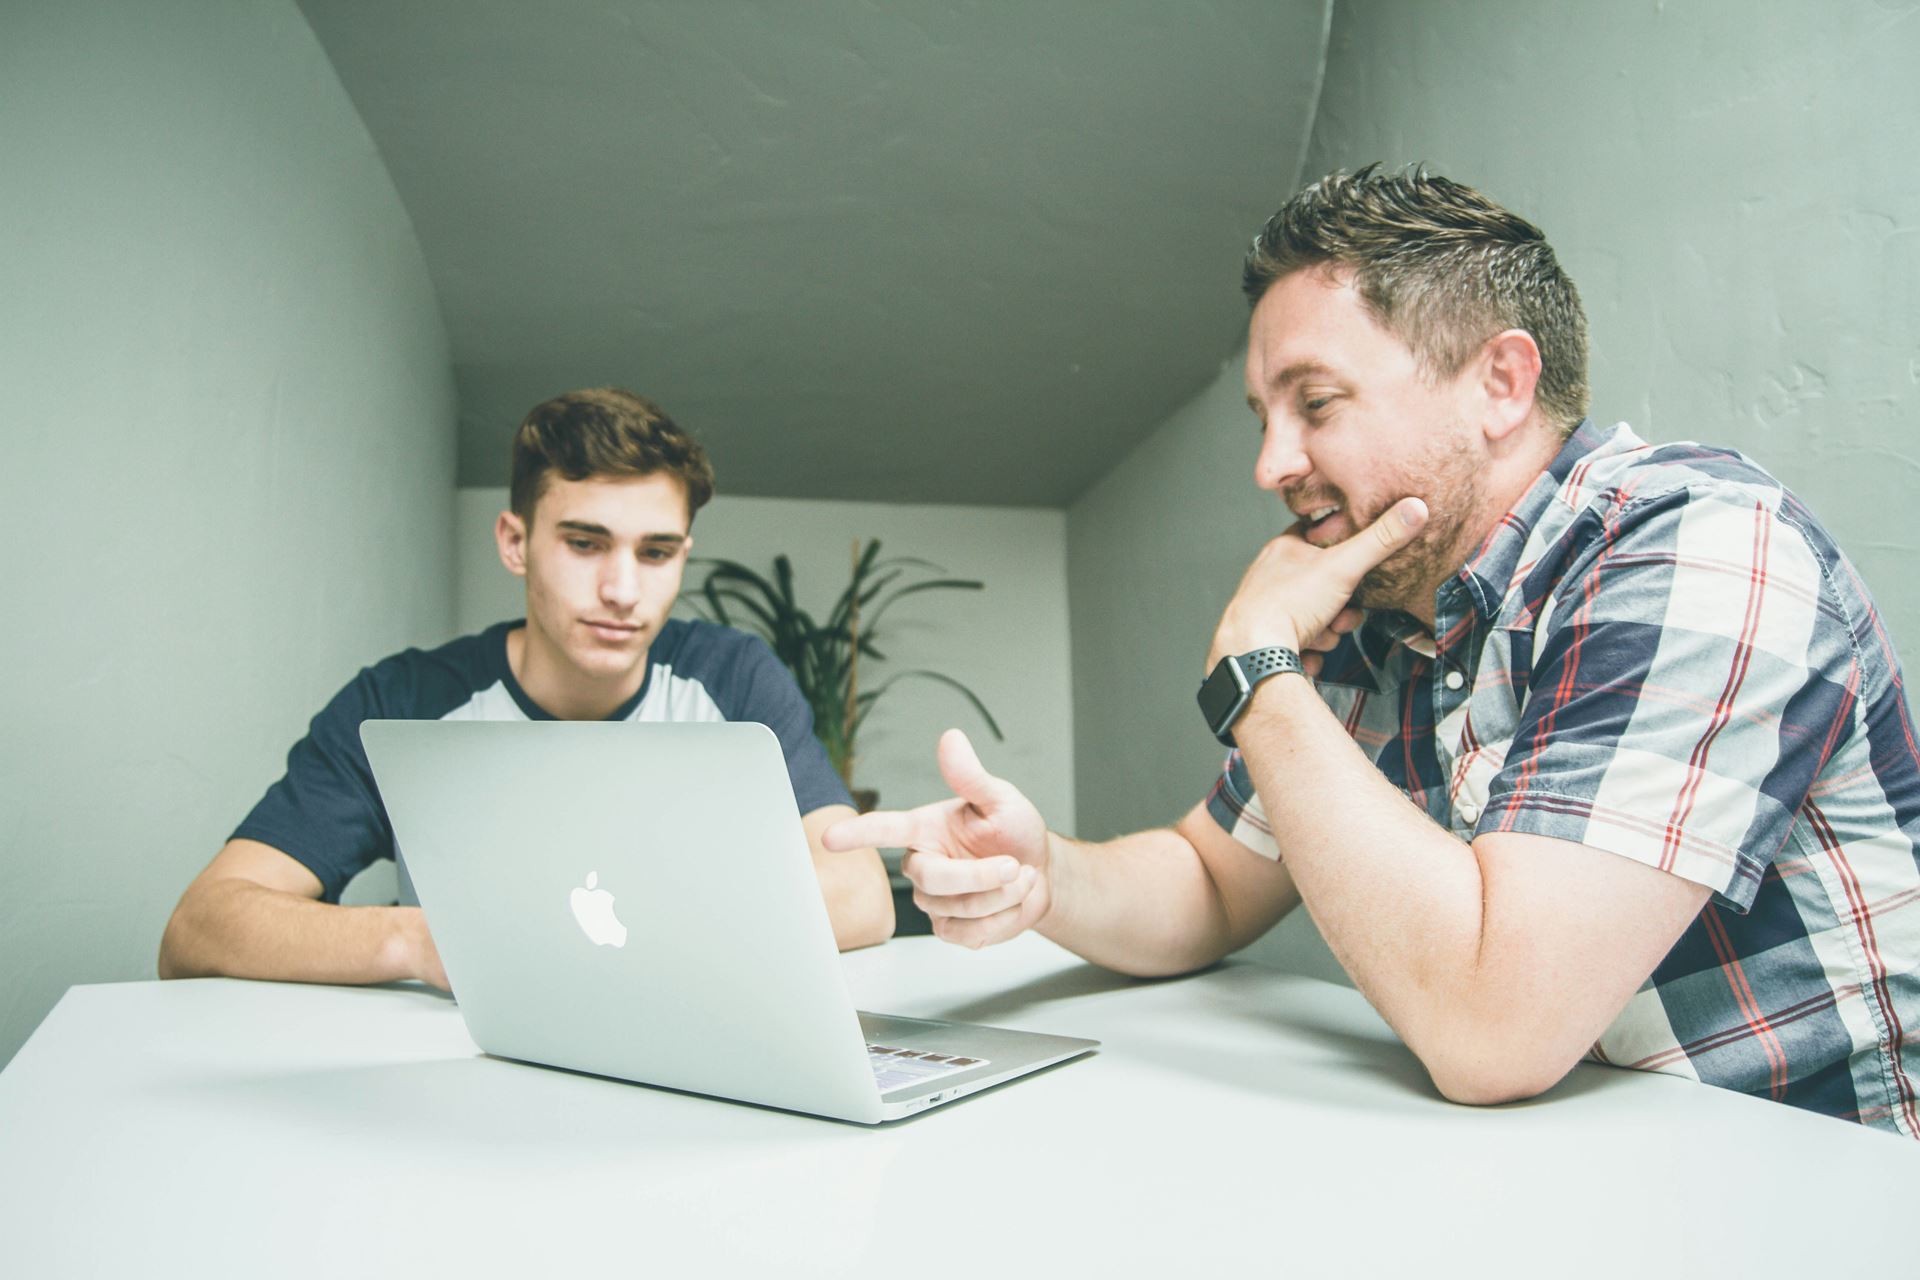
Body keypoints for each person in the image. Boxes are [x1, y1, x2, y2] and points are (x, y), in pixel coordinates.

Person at [827, 166, 1920, 1135]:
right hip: (1575, 1167)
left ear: (1501, 382)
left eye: (1316, 404)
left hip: (1820, 1185)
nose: (1271, 462)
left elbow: (1495, 1028)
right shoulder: (1390, 606)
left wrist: (1258, 665)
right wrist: (1045, 872)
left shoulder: (1700, 545)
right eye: (1264, 414)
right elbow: (1212, 876)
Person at [161, 387, 893, 988]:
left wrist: (604, 929)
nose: (622, 590)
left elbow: (861, 898)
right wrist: (422, 942)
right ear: (516, 542)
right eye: (584, 543)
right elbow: (201, 926)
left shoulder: (731, 678)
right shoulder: (404, 702)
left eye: (657, 552)